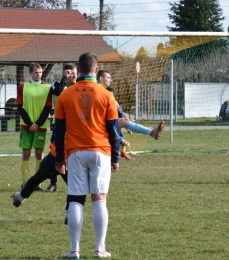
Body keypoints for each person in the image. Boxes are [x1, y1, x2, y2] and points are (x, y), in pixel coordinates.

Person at [54, 52, 129, 259]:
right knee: (99, 199)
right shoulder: (107, 95)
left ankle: (74, 249)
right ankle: (99, 248)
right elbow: (114, 131)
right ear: (96, 70)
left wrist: (59, 158)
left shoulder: (66, 95)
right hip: (101, 152)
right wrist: (115, 158)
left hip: (75, 153)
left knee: (76, 199)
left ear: (78, 70)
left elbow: (58, 131)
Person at [97, 70, 165, 160]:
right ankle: (149, 133)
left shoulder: (104, 92)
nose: (111, 80)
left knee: (122, 124)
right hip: (98, 123)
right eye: (108, 78)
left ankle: (122, 150)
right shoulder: (97, 91)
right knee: (120, 126)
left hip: (105, 121)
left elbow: (115, 109)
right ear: (101, 79)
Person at [17, 63, 52, 191]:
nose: (39, 75)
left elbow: (48, 107)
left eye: (40, 72)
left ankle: (37, 183)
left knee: (39, 154)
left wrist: (36, 124)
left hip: (40, 126)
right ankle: (26, 183)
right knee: (26, 154)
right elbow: (20, 106)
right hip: (26, 126)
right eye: (36, 72)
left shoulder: (47, 88)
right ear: (30, 73)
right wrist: (29, 124)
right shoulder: (23, 87)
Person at [45, 64, 77, 193]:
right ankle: (53, 183)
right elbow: (57, 92)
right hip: (59, 125)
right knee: (55, 153)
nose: (73, 75)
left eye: (74, 73)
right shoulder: (57, 84)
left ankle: (74, 182)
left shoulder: (79, 87)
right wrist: (64, 79)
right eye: (70, 73)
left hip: (74, 126)